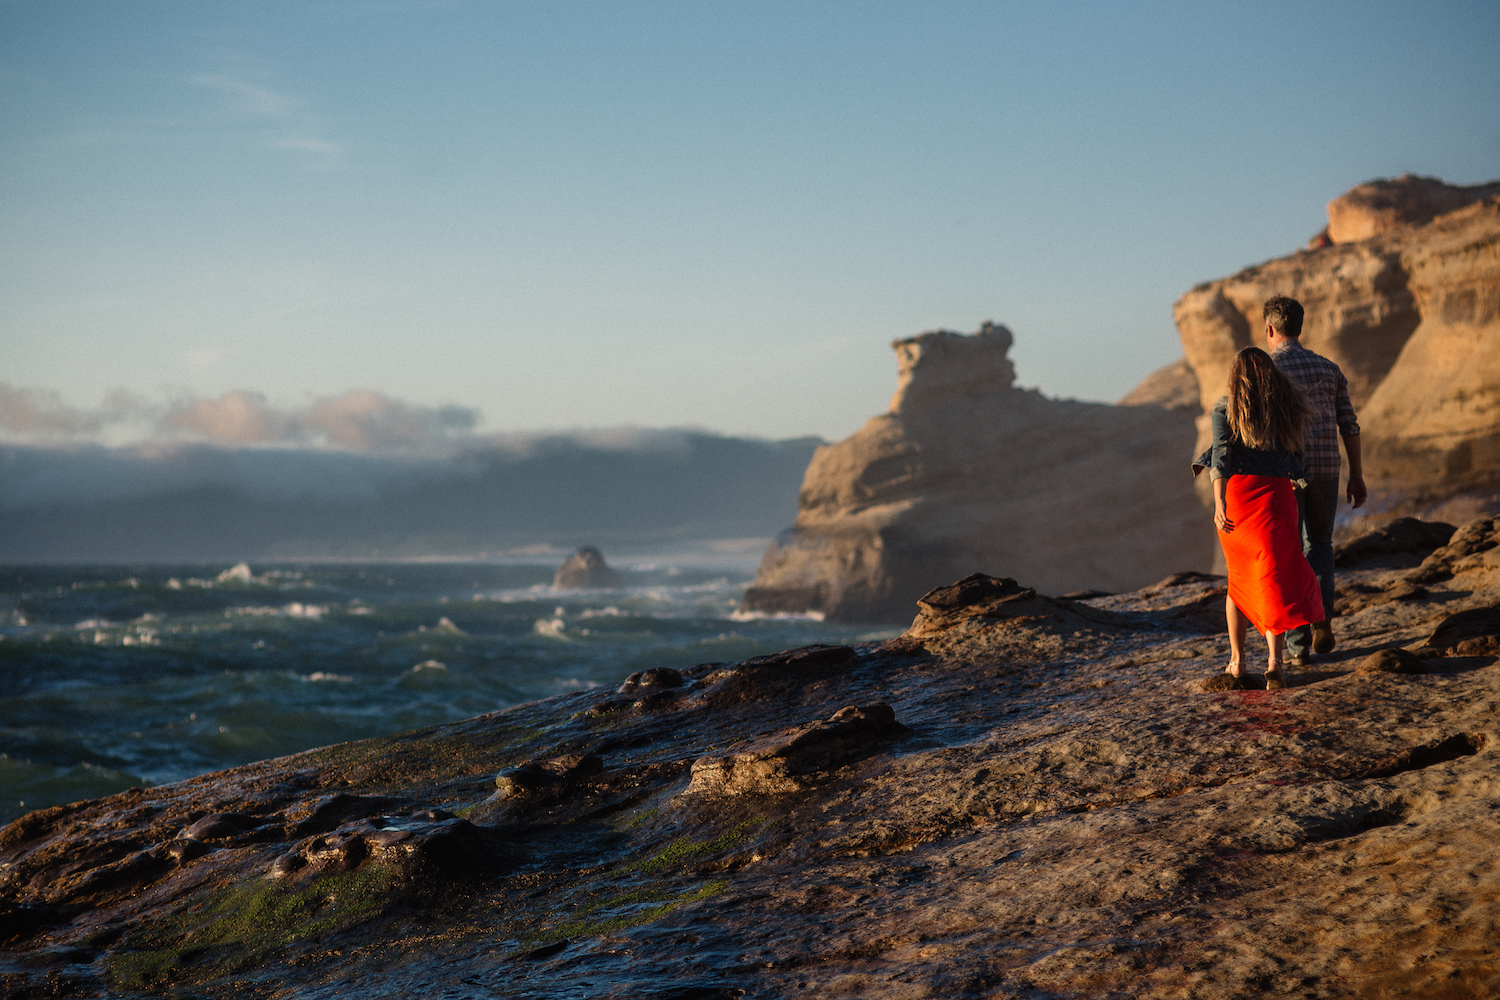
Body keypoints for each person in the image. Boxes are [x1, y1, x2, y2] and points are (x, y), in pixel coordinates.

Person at [1194, 347, 1326, 690]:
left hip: (1238, 498)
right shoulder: (1284, 407)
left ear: (1235, 376)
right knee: (1275, 576)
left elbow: (1221, 456)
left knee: (1237, 583)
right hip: (1278, 498)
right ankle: (1275, 663)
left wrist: (1220, 503)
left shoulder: (1225, 407)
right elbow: (1295, 453)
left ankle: (1237, 662)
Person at [1263, 295, 1366, 665]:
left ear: (1269, 329)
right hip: (1327, 470)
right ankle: (1321, 619)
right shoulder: (1330, 368)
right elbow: (1349, 425)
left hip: (1285, 476)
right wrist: (1357, 475)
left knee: (1289, 553)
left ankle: (1297, 644)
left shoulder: (1267, 370)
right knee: (1320, 544)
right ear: (1300, 328)